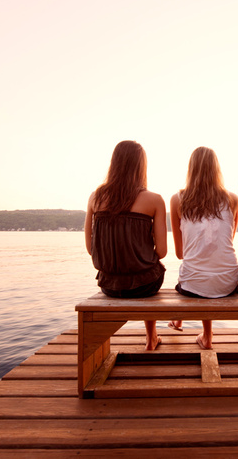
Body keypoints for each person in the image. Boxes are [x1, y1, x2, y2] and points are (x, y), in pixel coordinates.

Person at [84, 140, 167, 350]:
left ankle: (150, 337)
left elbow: (89, 248)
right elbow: (163, 252)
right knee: (151, 268)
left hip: (109, 285)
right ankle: (151, 338)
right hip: (146, 286)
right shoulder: (154, 200)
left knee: (145, 269)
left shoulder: (95, 197)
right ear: (141, 166)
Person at [169, 147, 238, 349]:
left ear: (190, 170)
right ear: (216, 170)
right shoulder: (232, 199)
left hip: (193, 285)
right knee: (204, 272)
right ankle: (205, 335)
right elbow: (227, 243)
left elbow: (180, 253)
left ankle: (196, 330)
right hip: (228, 282)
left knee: (193, 275)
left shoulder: (177, 200)